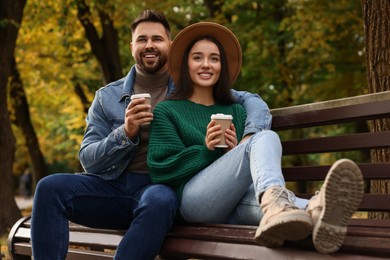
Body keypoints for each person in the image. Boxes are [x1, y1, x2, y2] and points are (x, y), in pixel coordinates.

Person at [30, 10, 274, 260]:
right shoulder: (107, 97)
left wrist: (250, 136)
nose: (149, 45)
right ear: (132, 46)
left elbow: (250, 100)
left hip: (162, 185)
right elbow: (88, 159)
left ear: (170, 44)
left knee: (159, 199)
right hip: (112, 187)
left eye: (157, 39)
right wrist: (125, 132)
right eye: (142, 39)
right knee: (49, 187)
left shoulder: (188, 86)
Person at [147, 22, 364, 254]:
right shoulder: (168, 110)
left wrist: (231, 155)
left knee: (280, 211)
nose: (206, 65)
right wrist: (206, 150)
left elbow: (249, 173)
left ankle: (316, 210)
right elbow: (160, 168)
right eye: (197, 57)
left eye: (214, 59)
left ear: (222, 66)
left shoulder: (237, 112)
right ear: (186, 64)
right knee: (264, 137)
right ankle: (283, 203)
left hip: (236, 204)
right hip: (194, 203)